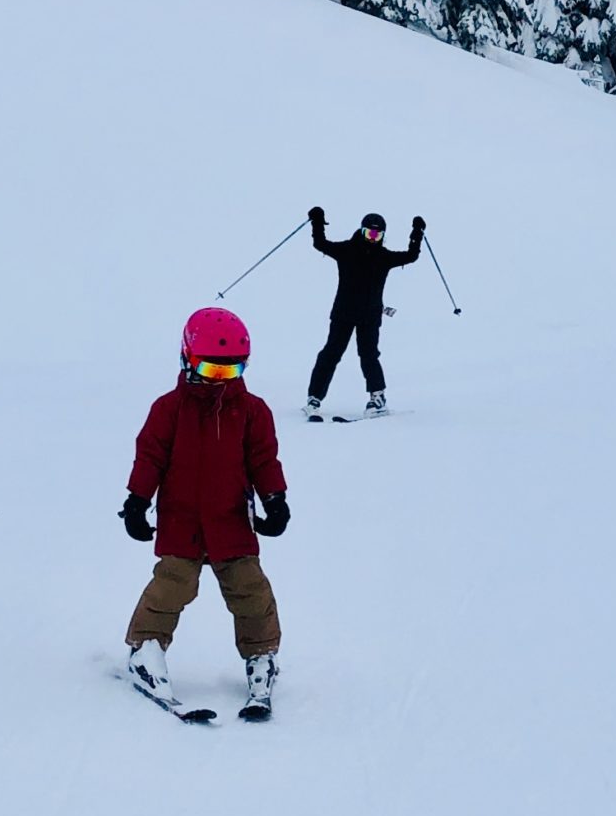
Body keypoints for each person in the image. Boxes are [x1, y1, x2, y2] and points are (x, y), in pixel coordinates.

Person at [122, 307, 289, 719]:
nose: (221, 382)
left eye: (231, 372)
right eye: (213, 371)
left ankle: (261, 657)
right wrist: (137, 501)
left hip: (231, 520)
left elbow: (264, 460)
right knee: (171, 588)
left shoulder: (252, 410)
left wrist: (275, 499)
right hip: (182, 520)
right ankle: (146, 650)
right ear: (188, 359)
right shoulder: (168, 410)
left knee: (250, 591)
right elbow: (149, 458)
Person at [304, 206, 424, 418]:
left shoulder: (384, 257)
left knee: (369, 355)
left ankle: (377, 398)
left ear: (383, 236)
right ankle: (314, 398)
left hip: (370, 316)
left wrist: (417, 233)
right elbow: (320, 243)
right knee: (331, 353)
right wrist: (317, 220)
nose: (373, 237)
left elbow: (412, 256)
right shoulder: (347, 250)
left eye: (378, 234)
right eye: (369, 232)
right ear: (361, 231)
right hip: (343, 313)